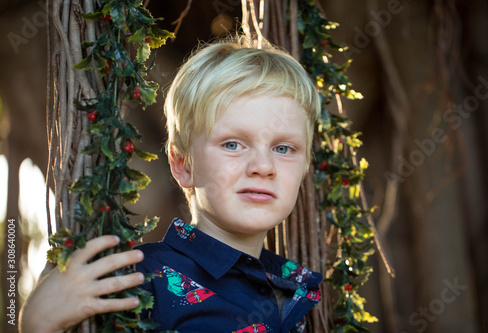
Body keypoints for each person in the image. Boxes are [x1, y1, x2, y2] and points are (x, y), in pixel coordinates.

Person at [20, 36, 322, 333]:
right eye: (232, 144)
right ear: (183, 164)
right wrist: (37, 325)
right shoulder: (137, 283)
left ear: (305, 166)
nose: (263, 167)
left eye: (284, 149)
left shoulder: (301, 292)